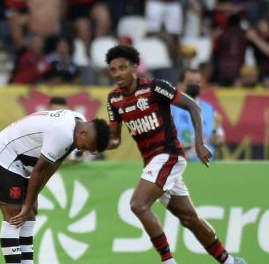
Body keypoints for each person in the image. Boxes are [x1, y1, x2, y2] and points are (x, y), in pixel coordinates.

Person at [104, 45, 245, 264]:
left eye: (123, 68)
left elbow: (193, 106)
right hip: (153, 162)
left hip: (168, 155)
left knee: (138, 205)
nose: (118, 73)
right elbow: (114, 140)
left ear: (134, 67)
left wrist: (199, 143)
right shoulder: (114, 99)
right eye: (113, 70)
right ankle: (230, 261)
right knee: (190, 218)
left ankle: (168, 261)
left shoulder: (155, 88)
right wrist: (96, 143)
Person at [0, 108, 110, 264]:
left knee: (29, 215)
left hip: (20, 161)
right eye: (86, 146)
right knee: (15, 215)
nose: (81, 150)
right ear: (84, 134)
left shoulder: (78, 122)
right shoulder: (62, 133)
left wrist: (34, 197)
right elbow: (38, 171)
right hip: (3, 155)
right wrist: (28, 204)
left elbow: (55, 163)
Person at [172, 68, 224, 162]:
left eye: (197, 82)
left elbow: (220, 138)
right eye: (190, 82)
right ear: (179, 85)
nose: (194, 85)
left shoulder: (210, 109)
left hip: (206, 166)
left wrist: (217, 140)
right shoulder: (170, 109)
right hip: (180, 165)